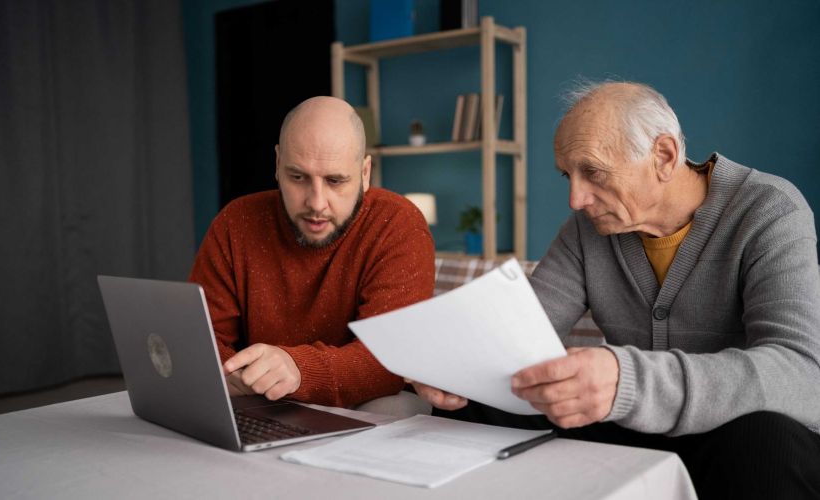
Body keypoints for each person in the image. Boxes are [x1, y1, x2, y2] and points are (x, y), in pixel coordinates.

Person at [411, 82, 820, 499]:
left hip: (729, 433)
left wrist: (626, 380)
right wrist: (455, 369)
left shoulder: (769, 209)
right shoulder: (586, 231)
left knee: (766, 438)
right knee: (485, 403)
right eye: (567, 175)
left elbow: (801, 374)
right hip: (631, 425)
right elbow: (522, 331)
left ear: (663, 156)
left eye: (592, 171)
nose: (575, 198)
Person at [190, 96, 435, 408]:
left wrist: (298, 369)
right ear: (277, 164)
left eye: (335, 181)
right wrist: (238, 373)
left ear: (364, 173)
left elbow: (391, 360)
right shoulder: (235, 222)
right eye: (298, 177)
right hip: (260, 395)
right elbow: (202, 338)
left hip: (365, 400)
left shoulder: (398, 224)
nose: (316, 203)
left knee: (398, 407)